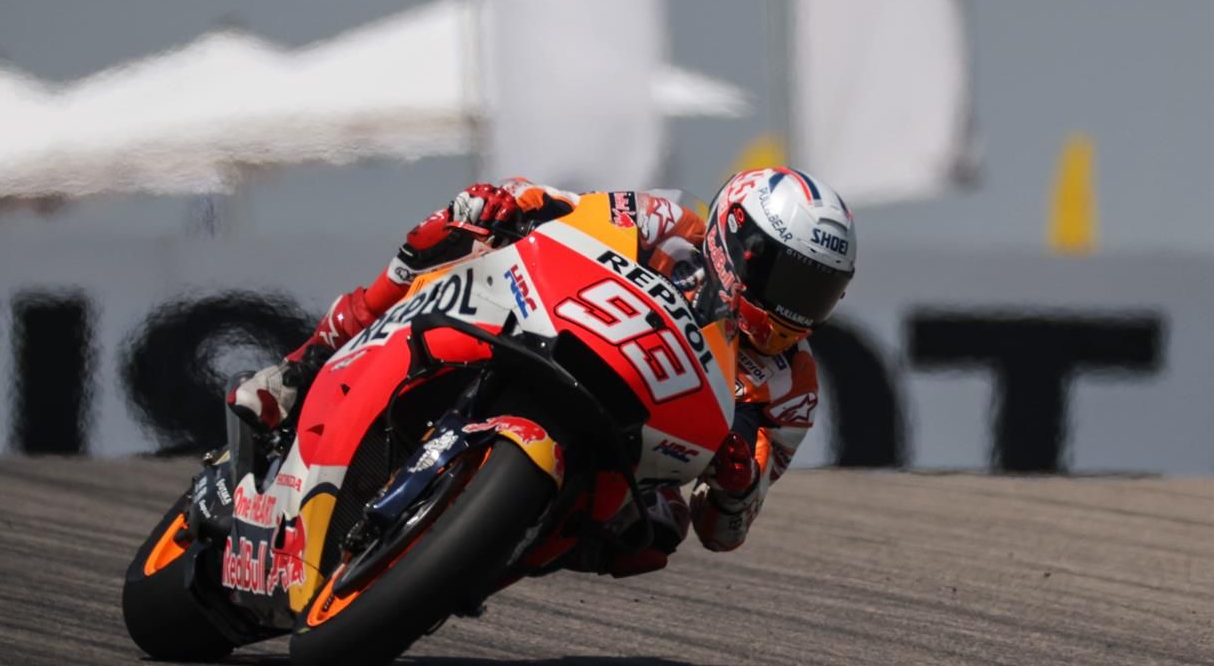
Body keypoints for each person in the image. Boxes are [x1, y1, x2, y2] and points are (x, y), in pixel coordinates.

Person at [227, 169, 857, 572]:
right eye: (789, 277)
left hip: (635, 445)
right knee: (464, 216)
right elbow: (582, 216)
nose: (797, 305)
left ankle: (491, 545)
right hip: (557, 332)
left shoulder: (791, 387)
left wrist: (739, 485)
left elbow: (726, 532)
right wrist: (519, 204)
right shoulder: (676, 229)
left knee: (658, 530)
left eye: (819, 289)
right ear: (735, 240)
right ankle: (303, 365)